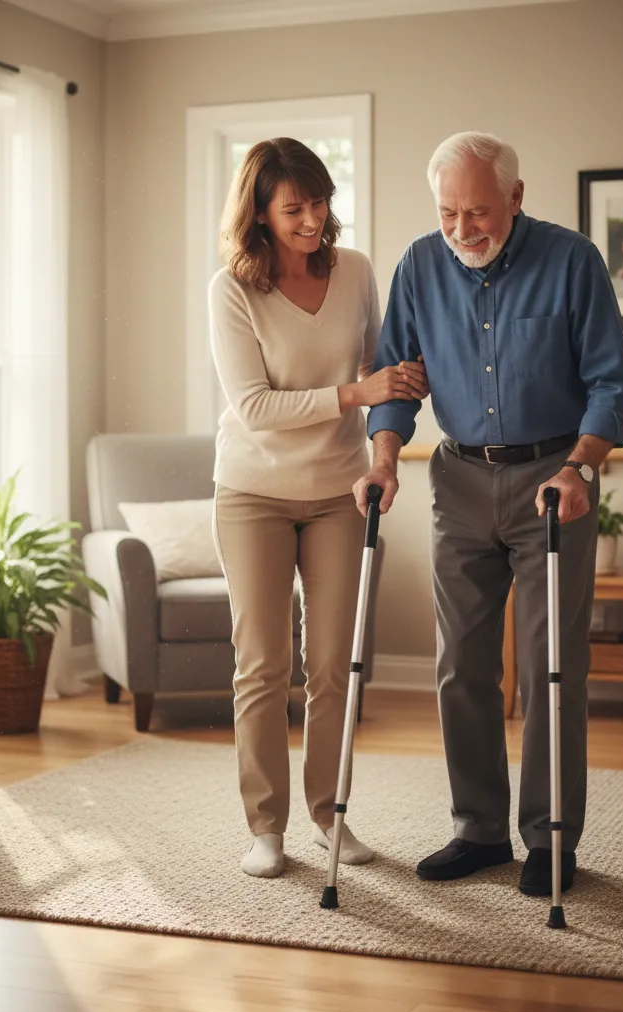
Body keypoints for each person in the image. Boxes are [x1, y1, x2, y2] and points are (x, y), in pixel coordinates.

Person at [353, 131, 623, 898]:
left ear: (515, 197)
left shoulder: (571, 261)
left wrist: (580, 467)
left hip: (555, 477)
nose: (461, 230)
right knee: (461, 665)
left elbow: (613, 383)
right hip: (458, 478)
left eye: (477, 211)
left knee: (552, 667)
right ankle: (478, 828)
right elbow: (399, 380)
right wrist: (383, 457)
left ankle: (550, 838)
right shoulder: (419, 265)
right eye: (448, 213)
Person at [208, 138, 429, 879]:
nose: (311, 220)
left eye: (319, 203)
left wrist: (384, 431)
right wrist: (354, 394)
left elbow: (377, 368)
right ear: (260, 215)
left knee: (335, 666)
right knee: (263, 665)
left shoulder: (357, 271)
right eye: (292, 208)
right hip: (252, 495)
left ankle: (329, 817)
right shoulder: (232, 290)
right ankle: (265, 828)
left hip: (340, 493)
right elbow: (254, 407)